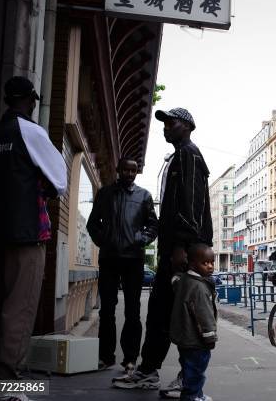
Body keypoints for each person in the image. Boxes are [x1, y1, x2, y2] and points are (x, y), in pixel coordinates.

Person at [113, 107, 213, 392]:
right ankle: (149, 370)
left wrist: (181, 246)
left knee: (184, 317)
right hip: (173, 249)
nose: (165, 127)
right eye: (165, 124)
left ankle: (187, 380)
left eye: (171, 122)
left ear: (188, 125)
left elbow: (191, 205)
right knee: (160, 312)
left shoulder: (189, 155)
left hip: (184, 250)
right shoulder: (178, 156)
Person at [0, 76, 67, 379]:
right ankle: (5, 378)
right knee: (19, 306)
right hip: (24, 234)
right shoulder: (30, 131)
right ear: (31, 100)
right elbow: (60, 180)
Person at [86, 157, 158, 371]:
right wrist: (104, 240)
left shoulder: (143, 196)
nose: (129, 173)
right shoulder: (105, 193)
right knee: (106, 310)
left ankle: (130, 358)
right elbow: (92, 224)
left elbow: (153, 226)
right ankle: (106, 356)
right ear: (118, 170)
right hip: (108, 259)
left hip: (133, 260)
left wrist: (141, 240)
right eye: (125, 169)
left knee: (133, 311)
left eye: (133, 170)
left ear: (137, 172)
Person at [166, 243, 217, 401]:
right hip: (197, 340)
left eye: (212, 262)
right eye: (205, 263)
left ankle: (197, 394)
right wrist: (210, 337)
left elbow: (175, 280)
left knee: (188, 368)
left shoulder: (184, 280)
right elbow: (204, 316)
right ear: (193, 264)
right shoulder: (199, 288)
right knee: (196, 371)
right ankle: (192, 397)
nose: (210, 267)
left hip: (184, 338)